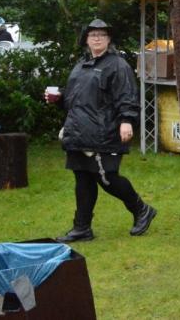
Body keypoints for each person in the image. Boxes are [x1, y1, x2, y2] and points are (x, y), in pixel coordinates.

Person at [48, 19, 156, 242]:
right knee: (83, 179)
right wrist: (58, 98)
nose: (97, 38)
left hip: (104, 132)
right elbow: (73, 99)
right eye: (92, 34)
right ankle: (82, 228)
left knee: (107, 177)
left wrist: (126, 120)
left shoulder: (117, 65)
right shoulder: (80, 65)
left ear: (108, 39)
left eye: (101, 34)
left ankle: (141, 209)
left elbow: (127, 96)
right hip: (78, 132)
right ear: (86, 39)